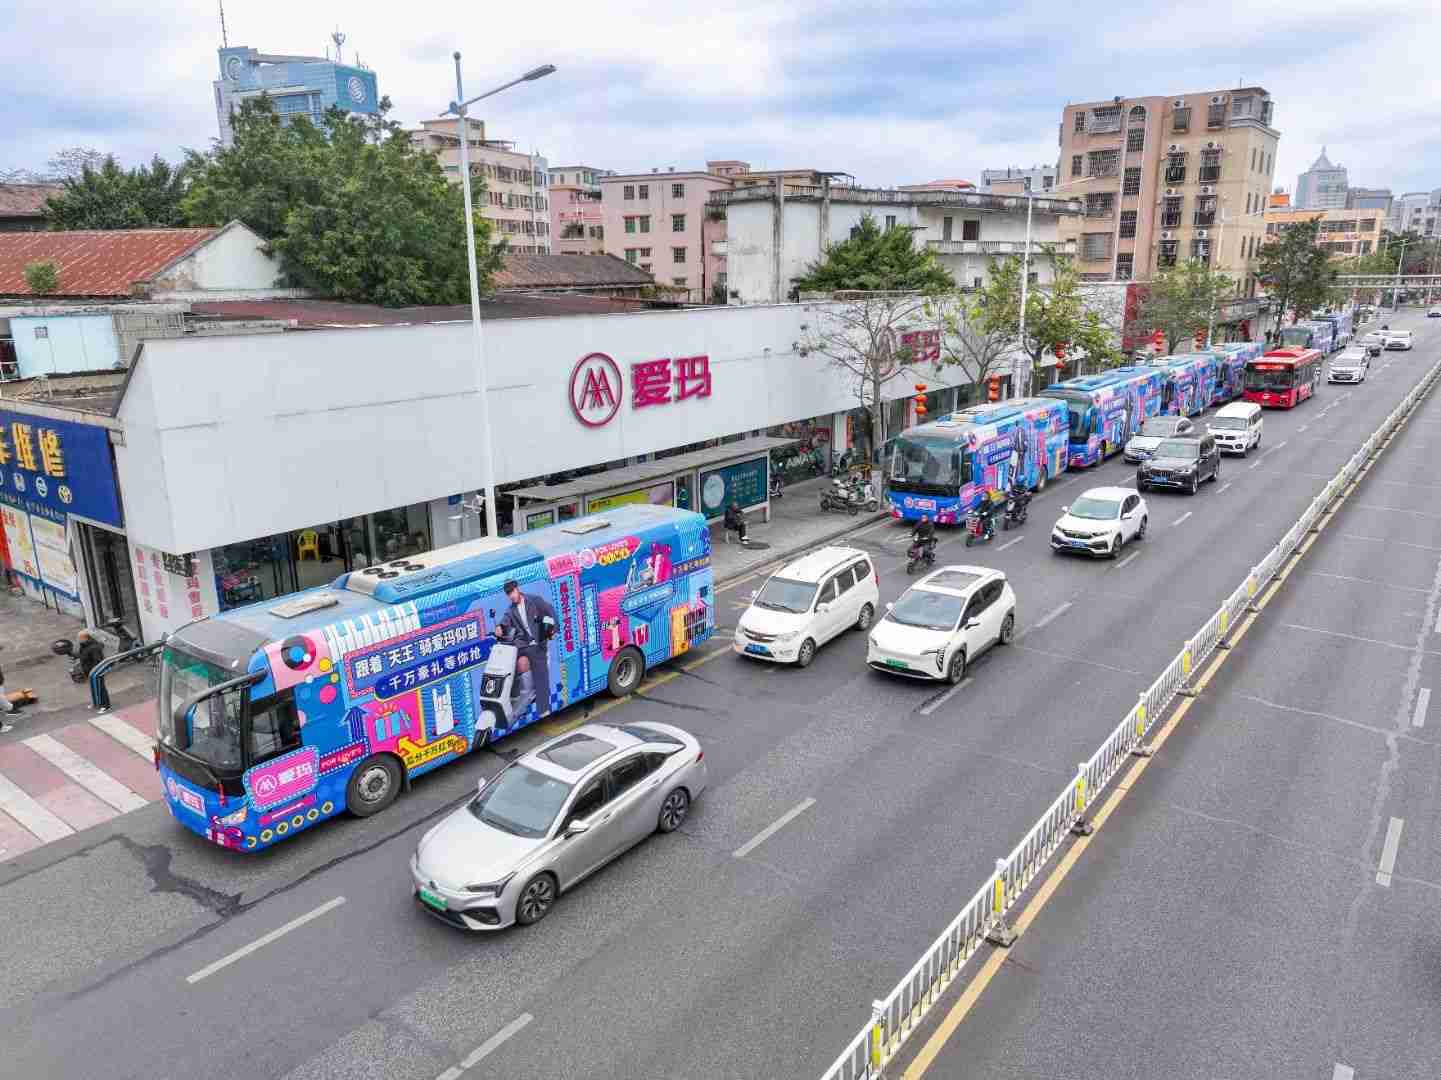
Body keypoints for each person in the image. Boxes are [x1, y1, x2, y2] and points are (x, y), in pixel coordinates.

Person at [496, 580, 559, 720]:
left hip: (537, 643)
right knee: (509, 667)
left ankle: (544, 710)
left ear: (517, 589)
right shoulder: (510, 610)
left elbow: (550, 610)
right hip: (522, 645)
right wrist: (500, 627)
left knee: (540, 673)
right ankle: (513, 700)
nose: (511, 596)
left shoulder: (534, 600)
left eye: (512, 592)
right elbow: (505, 621)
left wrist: (553, 630)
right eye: (508, 594)